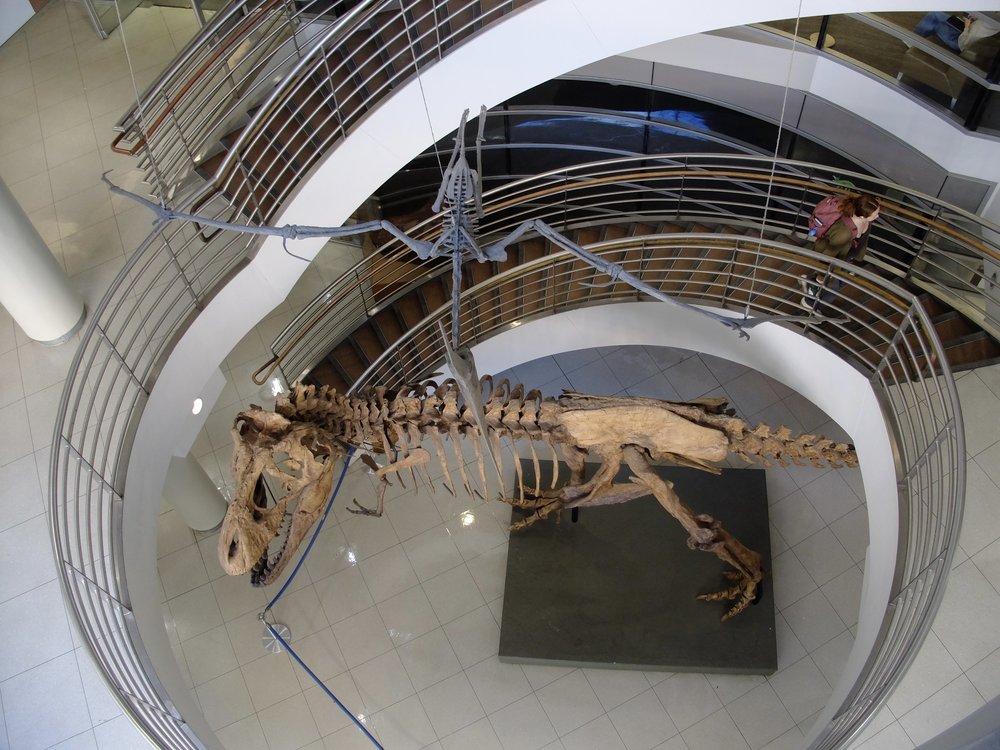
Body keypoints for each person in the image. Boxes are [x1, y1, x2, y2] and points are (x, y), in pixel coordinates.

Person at [800, 193, 881, 311]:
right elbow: (828, 254)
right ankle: (810, 303)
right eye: (875, 214)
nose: (877, 216)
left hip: (847, 253)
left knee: (842, 280)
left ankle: (809, 280)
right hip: (832, 256)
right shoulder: (844, 232)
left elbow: (862, 239)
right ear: (862, 217)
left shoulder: (866, 220)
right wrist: (821, 276)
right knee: (832, 288)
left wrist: (857, 257)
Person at [915, 12, 1000, 55]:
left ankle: (912, 40)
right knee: (938, 13)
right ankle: (915, 37)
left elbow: (964, 44)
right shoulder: (996, 18)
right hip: (967, 30)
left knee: (935, 20)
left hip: (959, 41)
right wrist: (973, 17)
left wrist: (967, 26)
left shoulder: (988, 26)